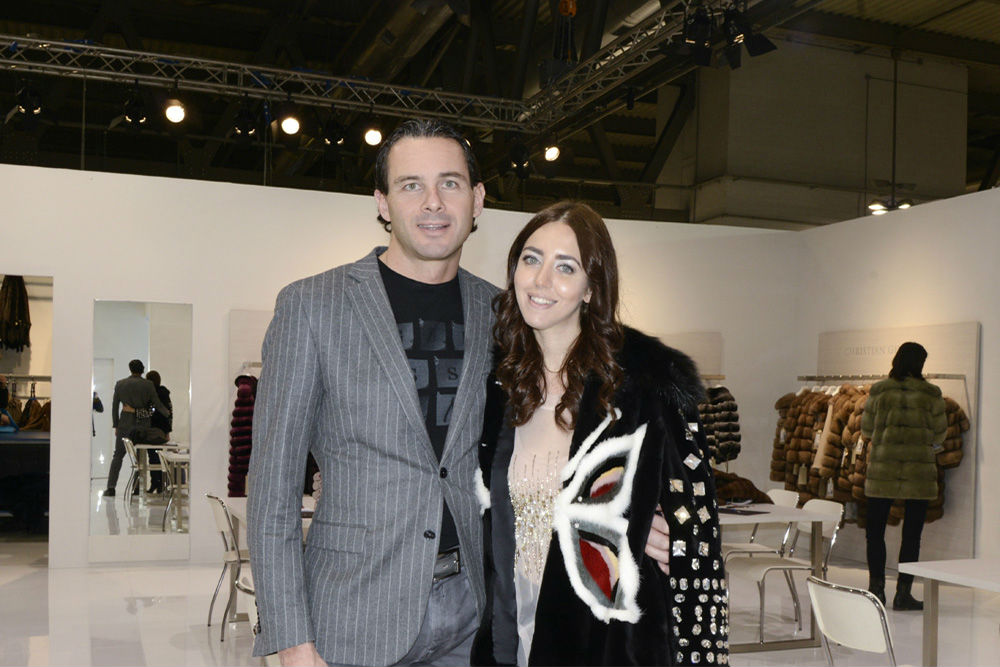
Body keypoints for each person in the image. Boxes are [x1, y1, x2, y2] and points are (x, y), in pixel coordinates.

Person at [247, 119, 672, 667]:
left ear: (477, 200)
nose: (433, 202)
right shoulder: (312, 306)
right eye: (411, 185)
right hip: (350, 617)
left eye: (450, 183)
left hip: (475, 615)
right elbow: (273, 490)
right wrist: (291, 641)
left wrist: (629, 512)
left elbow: (560, 427)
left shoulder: (505, 315)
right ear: (382, 203)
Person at [471, 201, 729, 666]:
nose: (541, 279)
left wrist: (657, 532)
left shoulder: (645, 388)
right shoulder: (501, 386)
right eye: (531, 259)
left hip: (605, 636)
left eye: (565, 267)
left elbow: (697, 534)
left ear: (591, 288)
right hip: (515, 624)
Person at [861, 341, 946, 611]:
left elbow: (866, 429)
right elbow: (940, 433)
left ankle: (876, 590)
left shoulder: (880, 390)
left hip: (882, 471)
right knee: (912, 536)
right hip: (918, 473)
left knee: (875, 533)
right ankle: (903, 594)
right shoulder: (931, 393)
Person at [104, 359, 170, 497]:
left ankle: (111, 487)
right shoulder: (148, 385)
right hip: (143, 426)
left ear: (130, 369)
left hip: (124, 425)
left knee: (118, 456)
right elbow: (156, 403)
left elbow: (115, 406)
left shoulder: (120, 384)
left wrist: (116, 424)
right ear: (142, 370)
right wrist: (166, 413)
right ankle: (136, 488)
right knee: (140, 458)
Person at [145, 370, 173, 493]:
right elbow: (170, 413)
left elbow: (153, 412)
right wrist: (168, 431)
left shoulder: (152, 394)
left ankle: (156, 483)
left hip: (152, 429)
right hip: (162, 429)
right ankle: (159, 484)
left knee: (153, 457)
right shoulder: (164, 393)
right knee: (159, 457)